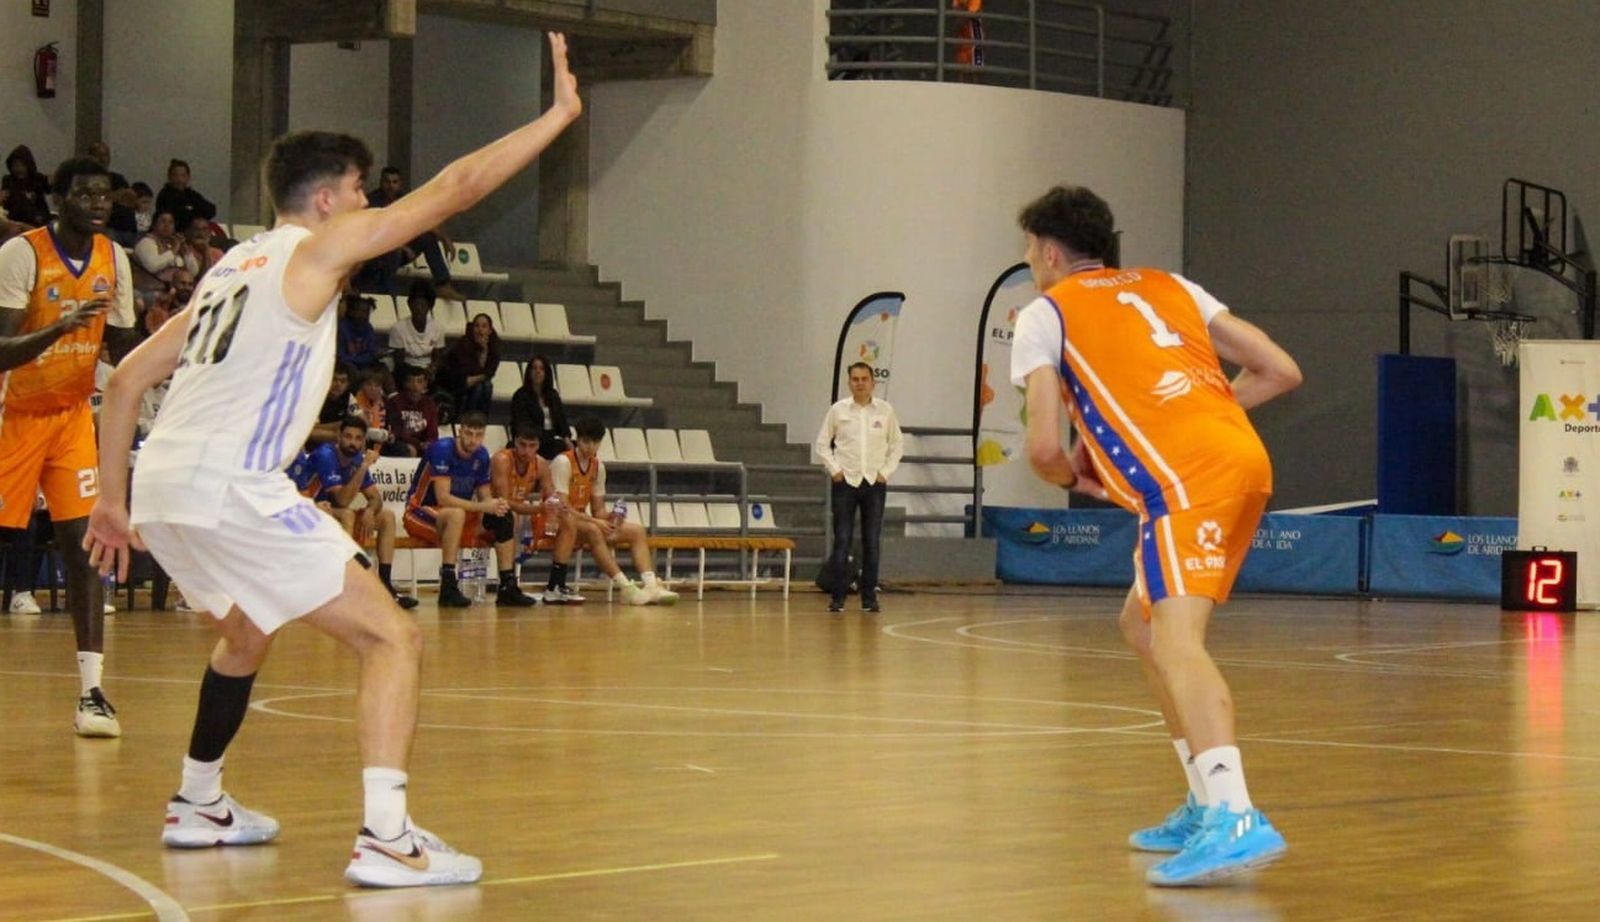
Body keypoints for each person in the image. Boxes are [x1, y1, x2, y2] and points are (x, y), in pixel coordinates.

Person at [82, 31, 581, 887]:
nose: (366, 201)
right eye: (357, 190)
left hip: (167, 481)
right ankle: (387, 837)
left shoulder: (230, 267)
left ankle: (199, 802)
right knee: (392, 637)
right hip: (229, 482)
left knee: (246, 629)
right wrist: (558, 115)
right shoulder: (315, 252)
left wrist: (112, 502)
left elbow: (125, 379)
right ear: (325, 203)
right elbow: (453, 190)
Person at [1009, 185, 1302, 887]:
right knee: (1141, 627)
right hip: (1238, 459)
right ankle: (1205, 800)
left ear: (1050, 253)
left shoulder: (1045, 313)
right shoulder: (1173, 286)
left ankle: (1234, 813)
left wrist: (1072, 479)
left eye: (1028, 253)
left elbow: (1044, 447)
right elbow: (1281, 371)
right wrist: (1196, 411)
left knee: (1175, 641)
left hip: (1186, 481)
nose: (1028, 264)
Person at [0, 156, 138, 736]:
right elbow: (2, 349)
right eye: (85, 194)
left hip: (73, 416)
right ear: (60, 201)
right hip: (14, 413)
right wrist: (62, 324)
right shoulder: (22, 253)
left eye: (105, 194)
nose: (99, 203)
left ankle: (92, 693)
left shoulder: (114, 258)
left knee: (85, 548)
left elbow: (128, 345)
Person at [402, 411, 539, 608]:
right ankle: (448, 584)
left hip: (458, 519)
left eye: (478, 435)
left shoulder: (482, 455)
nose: (473, 440)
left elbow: (485, 496)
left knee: (504, 516)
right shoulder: (442, 449)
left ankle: (507, 585)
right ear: (460, 431)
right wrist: (483, 506)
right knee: (456, 513)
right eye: (468, 433)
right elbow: (443, 498)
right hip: (420, 512)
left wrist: (495, 507)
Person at [543, 416, 678, 606]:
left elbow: (598, 510)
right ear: (578, 440)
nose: (590, 447)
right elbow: (561, 507)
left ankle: (650, 585)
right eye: (586, 441)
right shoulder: (563, 462)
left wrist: (614, 515)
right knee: (594, 530)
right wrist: (597, 522)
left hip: (582, 521)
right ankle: (626, 588)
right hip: (557, 521)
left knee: (637, 531)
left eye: (595, 442)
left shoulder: (598, 467)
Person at [814, 361, 902, 613]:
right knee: (842, 540)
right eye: (855, 379)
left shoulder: (885, 411)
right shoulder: (838, 410)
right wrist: (835, 470)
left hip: (874, 483)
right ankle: (838, 597)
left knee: (872, 541)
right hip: (846, 483)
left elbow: (897, 445)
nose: (860, 383)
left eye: (865, 379)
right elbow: (822, 444)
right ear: (849, 382)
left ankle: (869, 598)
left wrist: (885, 473)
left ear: (873, 382)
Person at [304, 416, 419, 610]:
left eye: (358, 438)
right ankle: (343, 585)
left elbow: (376, 499)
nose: (352, 443)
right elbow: (342, 499)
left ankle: (385, 585)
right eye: (348, 437)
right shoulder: (326, 455)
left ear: (364, 441)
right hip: (309, 512)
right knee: (348, 513)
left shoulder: (356, 459)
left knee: (386, 517)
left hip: (333, 513)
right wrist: (364, 465)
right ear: (339, 437)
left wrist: (370, 510)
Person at [358, 167, 464, 301]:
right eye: (387, 182)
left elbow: (423, 220)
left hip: (402, 249)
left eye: (395, 182)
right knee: (392, 253)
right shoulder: (372, 201)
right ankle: (387, 294)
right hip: (379, 252)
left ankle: (443, 284)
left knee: (428, 238)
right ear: (381, 182)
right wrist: (402, 247)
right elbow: (375, 234)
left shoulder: (405, 199)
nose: (391, 186)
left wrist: (445, 239)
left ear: (400, 183)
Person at [490, 425, 555, 580]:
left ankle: (556, 584)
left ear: (538, 446)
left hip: (521, 510)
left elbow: (551, 496)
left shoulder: (541, 464)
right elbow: (503, 501)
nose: (527, 451)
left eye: (532, 446)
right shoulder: (502, 459)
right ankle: (509, 579)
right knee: (510, 516)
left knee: (565, 521)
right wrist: (538, 509)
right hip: (490, 510)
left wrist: (553, 510)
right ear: (514, 442)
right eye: (522, 445)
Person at [437, 312, 500, 417]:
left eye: (484, 326)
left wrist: (484, 351)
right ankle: (469, 420)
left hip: (471, 383)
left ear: (490, 331)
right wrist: (482, 376)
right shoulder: (462, 345)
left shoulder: (493, 348)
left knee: (486, 386)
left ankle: (481, 421)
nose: (480, 330)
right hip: (452, 382)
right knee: (481, 387)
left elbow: (490, 372)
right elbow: (466, 375)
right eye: (477, 326)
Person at [509, 354, 568, 460]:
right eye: (534, 368)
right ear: (529, 372)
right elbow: (521, 423)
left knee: (576, 448)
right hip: (531, 440)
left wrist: (567, 439)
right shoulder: (520, 395)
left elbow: (562, 421)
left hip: (550, 440)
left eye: (541, 369)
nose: (538, 371)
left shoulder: (553, 395)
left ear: (546, 373)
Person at [389, 279, 447, 372]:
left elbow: (437, 357)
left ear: (429, 307)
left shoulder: (438, 328)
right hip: (407, 370)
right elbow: (399, 363)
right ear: (410, 305)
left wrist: (433, 368)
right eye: (416, 304)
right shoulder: (398, 328)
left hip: (429, 370)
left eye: (423, 305)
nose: (419, 309)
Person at [386, 365, 440, 458]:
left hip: (422, 444)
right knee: (411, 449)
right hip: (400, 444)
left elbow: (433, 432)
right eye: (411, 381)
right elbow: (396, 431)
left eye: (419, 381)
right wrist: (418, 444)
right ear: (405, 383)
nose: (415, 386)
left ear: (425, 384)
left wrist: (428, 443)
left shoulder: (430, 404)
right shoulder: (395, 402)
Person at [154, 158, 217, 229]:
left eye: (183, 176)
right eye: (175, 175)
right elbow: (179, 216)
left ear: (188, 177)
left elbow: (211, 209)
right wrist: (194, 211)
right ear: (169, 177)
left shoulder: (191, 194)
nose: (179, 179)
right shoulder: (165, 195)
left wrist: (192, 211)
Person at [2, 145, 52, 228]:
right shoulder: (8, 180)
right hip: (15, 223)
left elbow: (50, 188)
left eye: (22, 165)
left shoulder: (37, 179)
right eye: (15, 165)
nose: (19, 169)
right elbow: (10, 202)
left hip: (39, 223)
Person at [338, 294, 384, 371]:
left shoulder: (368, 327)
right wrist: (363, 359)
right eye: (361, 311)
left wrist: (375, 355)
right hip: (346, 365)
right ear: (351, 311)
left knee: (383, 369)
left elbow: (371, 351)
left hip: (364, 363)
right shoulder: (341, 328)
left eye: (367, 312)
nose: (364, 315)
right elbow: (340, 357)